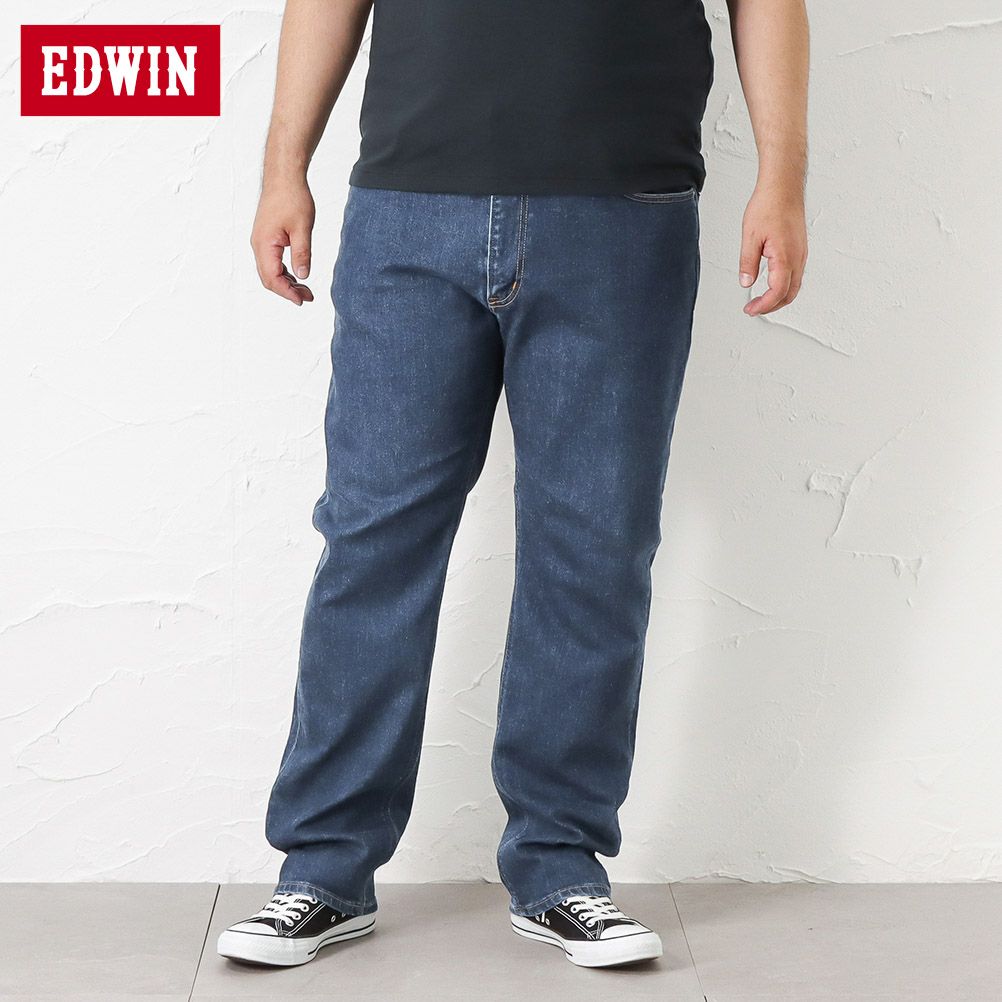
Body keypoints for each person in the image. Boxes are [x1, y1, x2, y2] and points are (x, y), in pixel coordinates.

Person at [217, 0, 809, 970]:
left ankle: (559, 864)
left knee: (595, 544)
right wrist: (284, 167)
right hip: (410, 201)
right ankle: (323, 868)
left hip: (624, 209)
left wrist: (782, 179)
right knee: (373, 539)